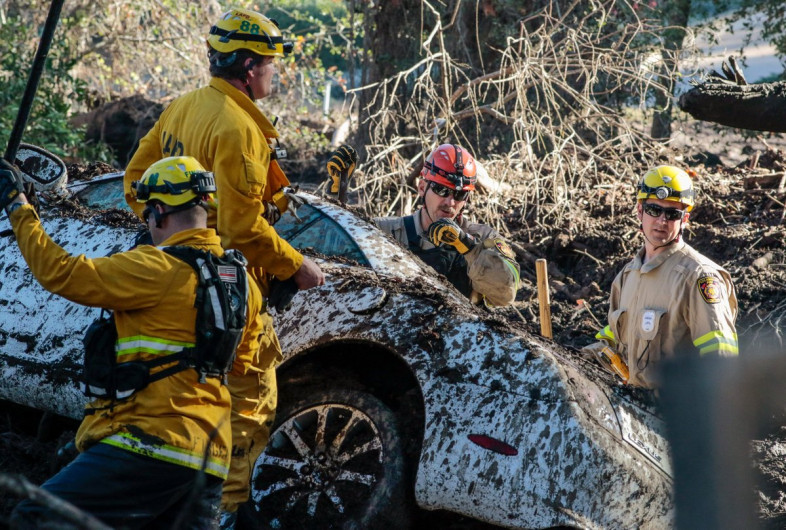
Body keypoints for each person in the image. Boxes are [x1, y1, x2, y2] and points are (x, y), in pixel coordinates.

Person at [122, 7, 323, 523]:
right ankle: (223, 515)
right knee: (249, 407)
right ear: (250, 66)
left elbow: (135, 182)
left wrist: (171, 237)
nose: (275, 72)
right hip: (229, 294)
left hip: (180, 290)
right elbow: (240, 231)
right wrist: (298, 266)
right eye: (272, 63)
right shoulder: (238, 129)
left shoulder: (184, 108)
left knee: (184, 402)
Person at [2, 156, 265, 529]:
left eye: (147, 216)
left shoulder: (154, 267)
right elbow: (245, 369)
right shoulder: (243, 284)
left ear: (158, 212)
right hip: (209, 459)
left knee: (35, 517)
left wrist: (19, 208)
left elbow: (60, 272)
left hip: (147, 443)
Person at [586, 165, 739, 389]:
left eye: (672, 214)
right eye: (654, 210)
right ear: (640, 211)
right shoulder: (627, 275)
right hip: (630, 409)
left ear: (684, 219)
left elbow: (720, 360)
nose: (662, 221)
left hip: (674, 416)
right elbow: (611, 344)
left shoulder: (698, 276)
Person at [374, 143, 520, 307]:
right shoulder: (384, 232)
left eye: (459, 194)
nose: (450, 202)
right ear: (422, 187)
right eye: (441, 190)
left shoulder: (484, 238)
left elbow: (507, 294)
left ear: (467, 198)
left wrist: (469, 247)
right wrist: (338, 199)